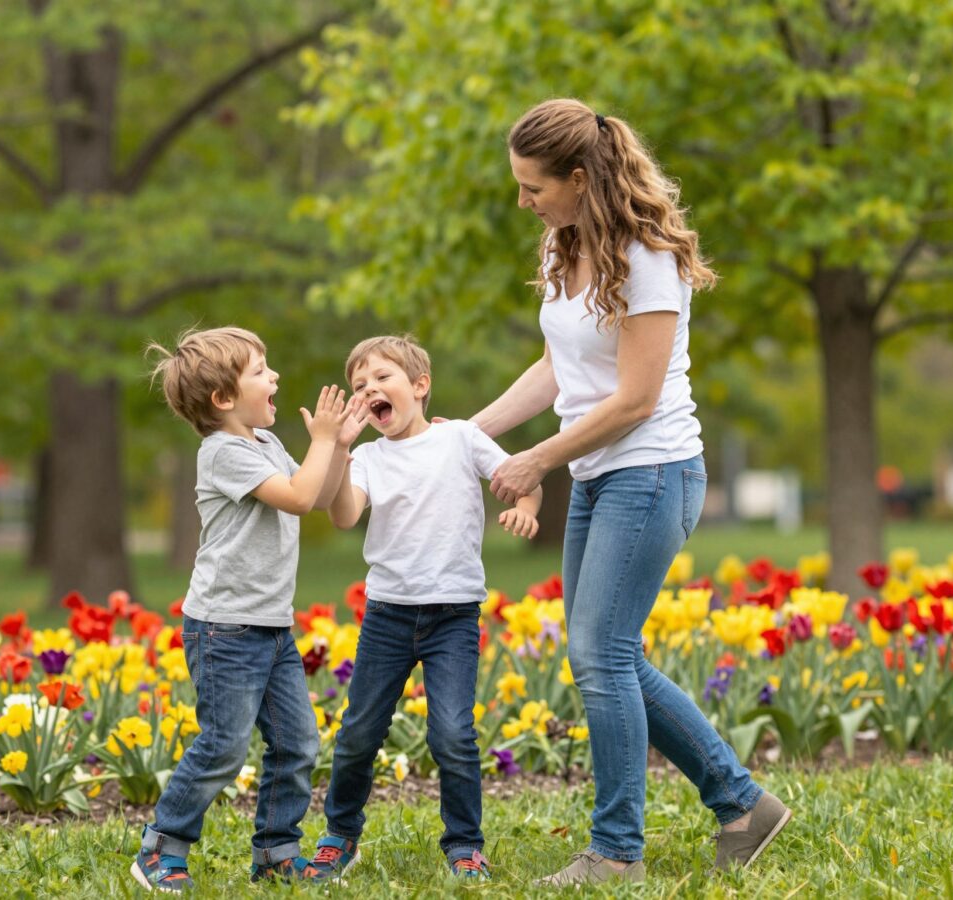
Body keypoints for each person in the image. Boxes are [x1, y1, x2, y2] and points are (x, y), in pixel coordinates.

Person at [472, 99, 792, 886]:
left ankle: (615, 853)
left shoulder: (647, 256)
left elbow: (635, 399)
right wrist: (469, 431)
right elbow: (560, 366)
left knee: (601, 653)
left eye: (533, 186)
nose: (524, 201)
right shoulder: (565, 241)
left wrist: (535, 459)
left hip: (650, 471)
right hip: (600, 474)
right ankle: (744, 805)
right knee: (607, 654)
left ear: (580, 179)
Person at [135, 326, 358, 891]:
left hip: (271, 626)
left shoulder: (265, 443)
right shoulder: (223, 452)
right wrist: (322, 443)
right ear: (224, 399)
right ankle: (162, 846)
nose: (275, 376)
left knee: (296, 742)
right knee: (224, 744)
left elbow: (324, 497)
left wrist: (339, 446)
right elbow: (299, 495)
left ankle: (277, 853)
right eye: (261, 369)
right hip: (225, 628)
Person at [312, 335, 541, 881]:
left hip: (453, 617)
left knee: (453, 736)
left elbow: (520, 478)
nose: (370, 390)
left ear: (420, 386)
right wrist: (340, 450)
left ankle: (465, 844)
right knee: (359, 733)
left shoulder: (461, 438)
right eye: (360, 386)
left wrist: (527, 509)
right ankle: (339, 837)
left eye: (382, 379)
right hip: (388, 616)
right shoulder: (365, 457)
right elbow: (343, 514)